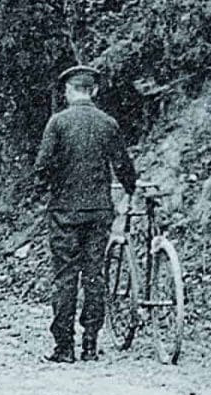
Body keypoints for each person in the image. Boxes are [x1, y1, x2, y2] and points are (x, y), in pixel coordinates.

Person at [32, 64, 137, 363]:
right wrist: (130, 189)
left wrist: (46, 188)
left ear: (68, 91)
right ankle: (90, 344)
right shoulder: (108, 123)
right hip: (99, 211)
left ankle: (64, 347)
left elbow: (42, 167)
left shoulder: (58, 122)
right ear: (94, 90)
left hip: (65, 212)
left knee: (65, 276)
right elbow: (123, 166)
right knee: (94, 275)